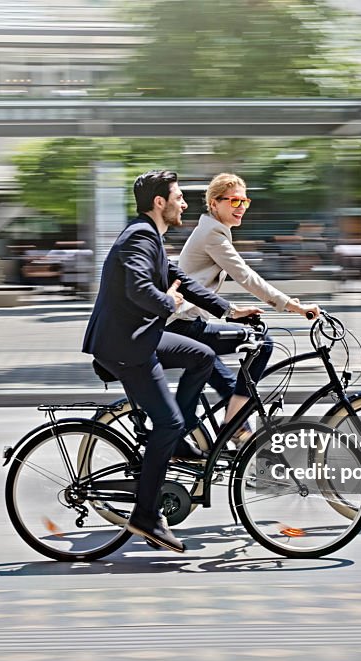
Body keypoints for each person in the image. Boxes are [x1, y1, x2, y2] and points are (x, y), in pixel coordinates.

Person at [82, 170, 261, 553]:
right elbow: (140, 288)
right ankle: (146, 514)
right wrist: (170, 303)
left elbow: (186, 281)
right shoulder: (139, 237)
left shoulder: (153, 239)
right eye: (179, 197)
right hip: (125, 347)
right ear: (159, 203)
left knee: (202, 355)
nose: (184, 203)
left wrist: (228, 310)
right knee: (168, 422)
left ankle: (178, 440)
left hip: (139, 338)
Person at [169, 173, 320, 439]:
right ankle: (227, 431)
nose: (241, 208)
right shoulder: (212, 234)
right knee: (262, 343)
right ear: (214, 204)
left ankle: (237, 446)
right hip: (183, 327)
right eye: (234, 201)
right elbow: (245, 275)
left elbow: (203, 286)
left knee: (232, 387)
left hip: (189, 323)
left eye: (245, 202)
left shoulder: (212, 231)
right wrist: (292, 306)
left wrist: (234, 310)